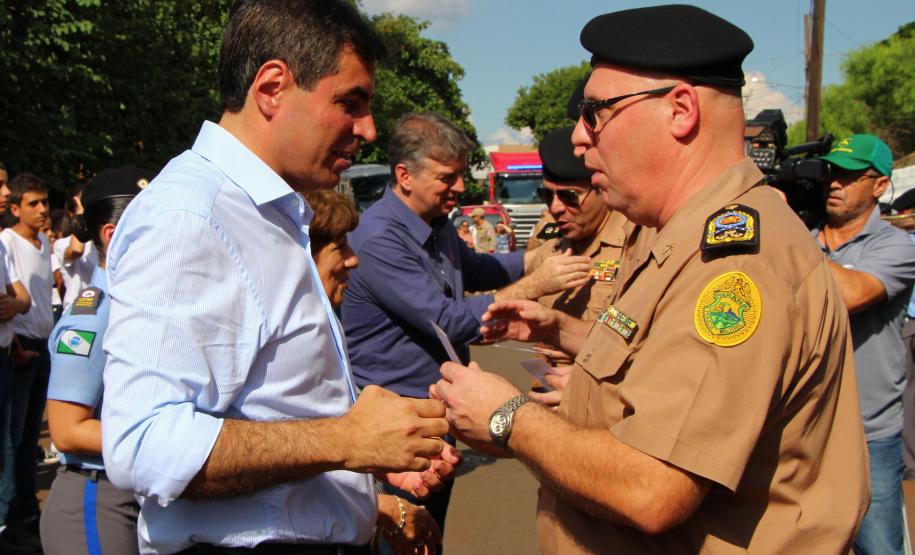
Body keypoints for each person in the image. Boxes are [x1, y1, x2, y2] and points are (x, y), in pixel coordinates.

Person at [432, 5, 869, 553]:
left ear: (681, 109)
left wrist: (507, 418)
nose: (580, 137)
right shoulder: (678, 238)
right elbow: (648, 382)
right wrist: (558, 333)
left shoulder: (731, 261)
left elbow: (650, 486)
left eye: (596, 112)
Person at [100, 2, 451, 553]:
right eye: (350, 103)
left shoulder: (269, 212)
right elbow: (143, 445)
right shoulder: (191, 217)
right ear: (271, 87)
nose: (368, 129)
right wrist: (348, 440)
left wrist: (362, 484)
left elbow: (275, 411)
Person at [342, 112, 592, 549]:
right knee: (399, 536)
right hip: (395, 423)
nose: (460, 187)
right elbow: (449, 318)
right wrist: (537, 284)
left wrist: (536, 259)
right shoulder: (380, 238)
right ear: (404, 175)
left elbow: (477, 268)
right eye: (447, 177)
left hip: (434, 416)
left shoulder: (435, 226)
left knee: (428, 535)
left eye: (460, 174)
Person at [303, 188, 452, 554]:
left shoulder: (322, 321)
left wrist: (382, 466)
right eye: (340, 247)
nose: (353, 260)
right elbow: (261, 453)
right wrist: (378, 506)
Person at [812, 134, 915, 555]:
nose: (835, 183)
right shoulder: (804, 236)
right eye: (831, 173)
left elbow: (849, 294)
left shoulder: (896, 246)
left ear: (879, 185)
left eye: (850, 176)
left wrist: (784, 239)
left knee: (881, 549)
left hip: (869, 435)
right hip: (803, 431)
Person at [40, 166, 151, 555]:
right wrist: (167, 439)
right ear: (112, 235)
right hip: (96, 497)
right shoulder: (94, 315)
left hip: (133, 495)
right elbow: (67, 430)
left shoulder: (138, 308)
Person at [524, 126, 628, 405]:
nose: (555, 208)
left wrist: (578, 342)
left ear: (601, 189)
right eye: (547, 196)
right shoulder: (549, 247)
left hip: (602, 406)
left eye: (569, 197)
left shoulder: (636, 246)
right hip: (546, 396)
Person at [0, 173, 54, 541]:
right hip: (19, 350)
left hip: (42, 347)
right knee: (12, 438)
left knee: (29, 434)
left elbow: (21, 298)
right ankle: (15, 513)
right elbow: (14, 301)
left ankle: (26, 507)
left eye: (45, 202)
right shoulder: (7, 240)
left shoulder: (43, 244)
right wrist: (18, 346)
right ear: (16, 209)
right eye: (33, 203)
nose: (42, 210)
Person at [53, 187, 99, 310]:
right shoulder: (61, 244)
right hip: (76, 313)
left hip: (100, 312)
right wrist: (81, 215)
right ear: (72, 214)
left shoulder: (101, 241)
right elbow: (76, 250)